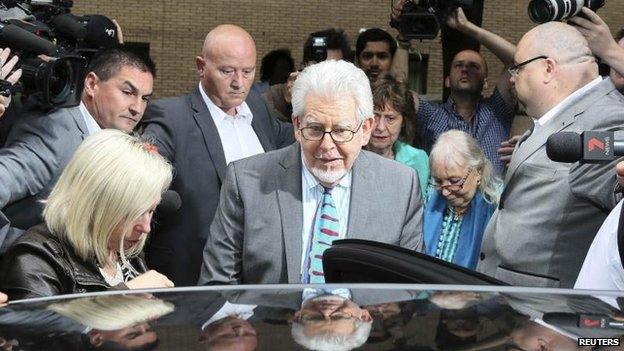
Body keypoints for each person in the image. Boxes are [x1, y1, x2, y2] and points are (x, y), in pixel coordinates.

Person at [198, 60, 424, 285]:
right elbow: (217, 286)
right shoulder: (247, 181)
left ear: (365, 129)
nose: (327, 145)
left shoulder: (401, 187)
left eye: (341, 130)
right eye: (315, 129)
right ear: (296, 125)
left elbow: (408, 293)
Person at [140, 24, 294, 286]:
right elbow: (140, 171)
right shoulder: (171, 117)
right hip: (194, 275)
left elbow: (294, 136)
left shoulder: (257, 108)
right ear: (201, 66)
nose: (239, 83)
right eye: (227, 71)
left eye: (247, 72)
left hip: (261, 277)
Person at [477, 21, 624, 288]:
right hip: (510, 303)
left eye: (517, 68)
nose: (512, 78)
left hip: (548, 313)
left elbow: (617, 186)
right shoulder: (550, 119)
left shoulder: (609, 118)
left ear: (547, 68)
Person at [0, 130, 175, 300]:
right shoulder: (35, 258)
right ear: (94, 203)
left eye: (151, 211)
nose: (145, 227)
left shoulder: (125, 252)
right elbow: (44, 327)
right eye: (133, 213)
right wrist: (123, 295)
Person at [0, 46, 155, 229]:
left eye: (145, 98)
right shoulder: (54, 135)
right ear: (91, 84)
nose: (137, 108)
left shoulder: (121, 141)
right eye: (128, 92)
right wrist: (22, 248)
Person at [357, 8, 517, 174]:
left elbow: (516, 60)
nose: (465, 70)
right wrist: (404, 37)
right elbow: (397, 90)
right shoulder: (431, 114)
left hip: (492, 198)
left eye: (473, 66)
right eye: (458, 65)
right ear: (447, 80)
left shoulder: (498, 110)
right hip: (442, 199)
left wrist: (467, 27)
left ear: (485, 82)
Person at [425, 130, 501, 269]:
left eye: (454, 181)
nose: (445, 192)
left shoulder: (498, 206)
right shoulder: (429, 196)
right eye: (438, 181)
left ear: (478, 171)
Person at [263, 28, 352, 122]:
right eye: (318, 67)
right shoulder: (275, 98)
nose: (324, 76)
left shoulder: (354, 97)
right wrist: (287, 101)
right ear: (303, 66)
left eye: (332, 69)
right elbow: (263, 128)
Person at [366, 74, 429, 196]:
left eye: (390, 118)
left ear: (404, 122)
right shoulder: (350, 156)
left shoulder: (419, 159)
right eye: (375, 116)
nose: (380, 127)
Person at [291, 289, 372, 351]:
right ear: (364, 316)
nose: (326, 311)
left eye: (314, 317)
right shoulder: (381, 283)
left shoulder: (279, 291)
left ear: (298, 316)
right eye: (340, 316)